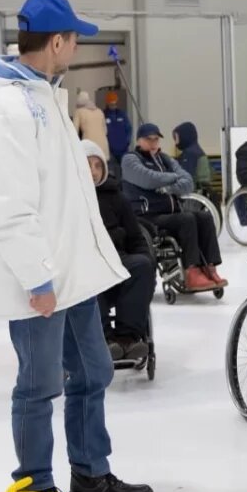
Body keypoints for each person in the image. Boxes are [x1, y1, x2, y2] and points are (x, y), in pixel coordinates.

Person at [0, 0, 153, 492]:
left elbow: (70, 197)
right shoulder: (6, 112)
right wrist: (37, 279)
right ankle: (36, 490)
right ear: (56, 43)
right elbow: (10, 208)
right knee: (39, 384)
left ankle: (91, 474)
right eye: (74, 39)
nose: (75, 48)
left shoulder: (47, 97)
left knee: (93, 373)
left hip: (75, 274)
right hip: (40, 281)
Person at [121, 122, 227, 291]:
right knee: (187, 219)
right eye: (150, 140)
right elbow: (148, 179)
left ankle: (210, 267)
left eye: (156, 139)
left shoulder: (165, 159)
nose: (154, 143)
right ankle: (191, 271)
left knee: (204, 217)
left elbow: (188, 182)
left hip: (171, 213)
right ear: (139, 140)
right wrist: (173, 177)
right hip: (147, 216)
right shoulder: (130, 160)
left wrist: (168, 187)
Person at [83, 139, 155, 361]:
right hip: (86, 263)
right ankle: (103, 338)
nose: (94, 172)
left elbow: (135, 236)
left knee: (142, 265)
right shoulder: (70, 199)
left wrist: (147, 260)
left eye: (98, 166)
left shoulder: (117, 196)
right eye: (88, 165)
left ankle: (128, 339)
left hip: (118, 261)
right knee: (91, 277)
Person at [172, 121, 211, 193]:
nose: (175, 143)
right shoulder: (197, 151)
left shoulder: (189, 154)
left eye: (176, 138)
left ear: (184, 137)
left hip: (192, 196)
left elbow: (184, 178)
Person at [73, 90, 108, 158]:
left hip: (90, 147)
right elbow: (105, 131)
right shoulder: (99, 111)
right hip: (103, 147)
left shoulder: (78, 112)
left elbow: (74, 132)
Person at [104, 91, 132, 163]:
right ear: (108, 103)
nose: (113, 105)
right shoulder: (104, 115)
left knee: (125, 170)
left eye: (114, 103)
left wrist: (127, 142)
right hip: (110, 151)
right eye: (111, 104)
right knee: (113, 172)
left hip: (123, 150)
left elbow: (128, 129)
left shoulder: (122, 114)